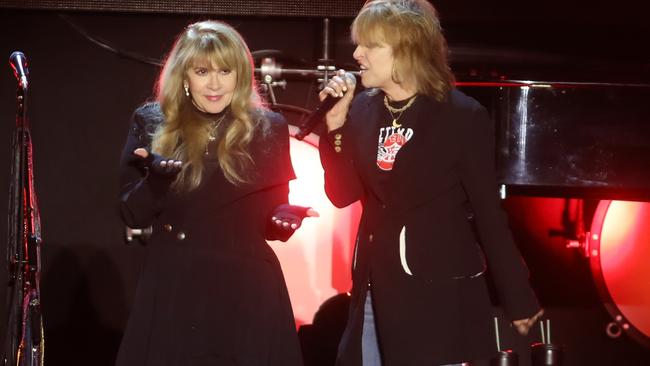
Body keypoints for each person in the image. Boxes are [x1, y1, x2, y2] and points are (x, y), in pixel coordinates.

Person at [318, 1, 544, 365]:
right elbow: (342, 194)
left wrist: (518, 295)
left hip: (436, 293)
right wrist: (336, 126)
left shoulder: (460, 115)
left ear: (407, 48)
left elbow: (489, 213)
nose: (357, 53)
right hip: (374, 288)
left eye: (370, 45)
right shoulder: (362, 110)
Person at [117, 20, 316, 366]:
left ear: (240, 75)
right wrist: (157, 180)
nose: (214, 83)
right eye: (202, 71)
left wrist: (283, 218)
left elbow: (270, 222)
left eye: (225, 71)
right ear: (184, 76)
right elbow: (132, 214)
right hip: (176, 288)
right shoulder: (152, 122)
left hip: (247, 291)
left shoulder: (268, 128)